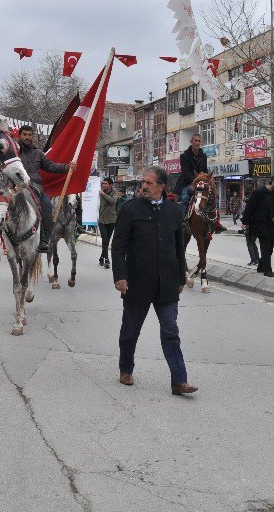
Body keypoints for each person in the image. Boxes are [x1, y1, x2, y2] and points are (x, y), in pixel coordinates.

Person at [110, 166, 196, 396]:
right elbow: (118, 246)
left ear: (162, 186)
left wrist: (180, 277)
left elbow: (179, 248)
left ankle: (179, 380)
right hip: (137, 283)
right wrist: (120, 276)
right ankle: (125, 369)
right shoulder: (130, 209)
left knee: (170, 331)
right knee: (130, 330)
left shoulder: (175, 212)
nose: (144, 186)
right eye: (143, 182)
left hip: (167, 284)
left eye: (149, 183)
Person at [15, 124, 76, 253]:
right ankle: (10, 236)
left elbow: (50, 166)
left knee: (48, 207)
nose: (27, 137)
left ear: (33, 136)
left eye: (30, 135)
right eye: (25, 134)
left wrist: (67, 167)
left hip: (37, 189)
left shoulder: (38, 153)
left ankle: (44, 240)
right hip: (19, 188)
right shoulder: (14, 152)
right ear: (20, 135)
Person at [242, 175, 274, 277]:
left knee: (270, 248)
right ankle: (267, 270)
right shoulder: (258, 193)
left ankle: (261, 266)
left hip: (271, 225)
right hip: (259, 225)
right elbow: (249, 208)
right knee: (265, 247)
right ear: (273, 182)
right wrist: (245, 222)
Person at [172, 134, 208, 205]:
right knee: (185, 198)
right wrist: (196, 181)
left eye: (199, 141)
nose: (197, 143)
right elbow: (186, 172)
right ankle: (183, 216)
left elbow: (205, 171)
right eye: (195, 140)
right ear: (191, 141)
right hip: (187, 183)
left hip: (201, 183)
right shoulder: (184, 156)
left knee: (212, 198)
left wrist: (206, 180)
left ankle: (215, 215)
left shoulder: (204, 156)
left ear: (201, 142)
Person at [98, 177, 119, 269]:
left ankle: (101, 257)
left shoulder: (115, 193)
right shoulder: (98, 192)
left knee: (107, 241)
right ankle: (106, 259)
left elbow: (112, 201)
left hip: (111, 220)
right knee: (105, 240)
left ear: (110, 185)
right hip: (102, 220)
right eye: (103, 183)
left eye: (106, 183)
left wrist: (102, 194)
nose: (104, 185)